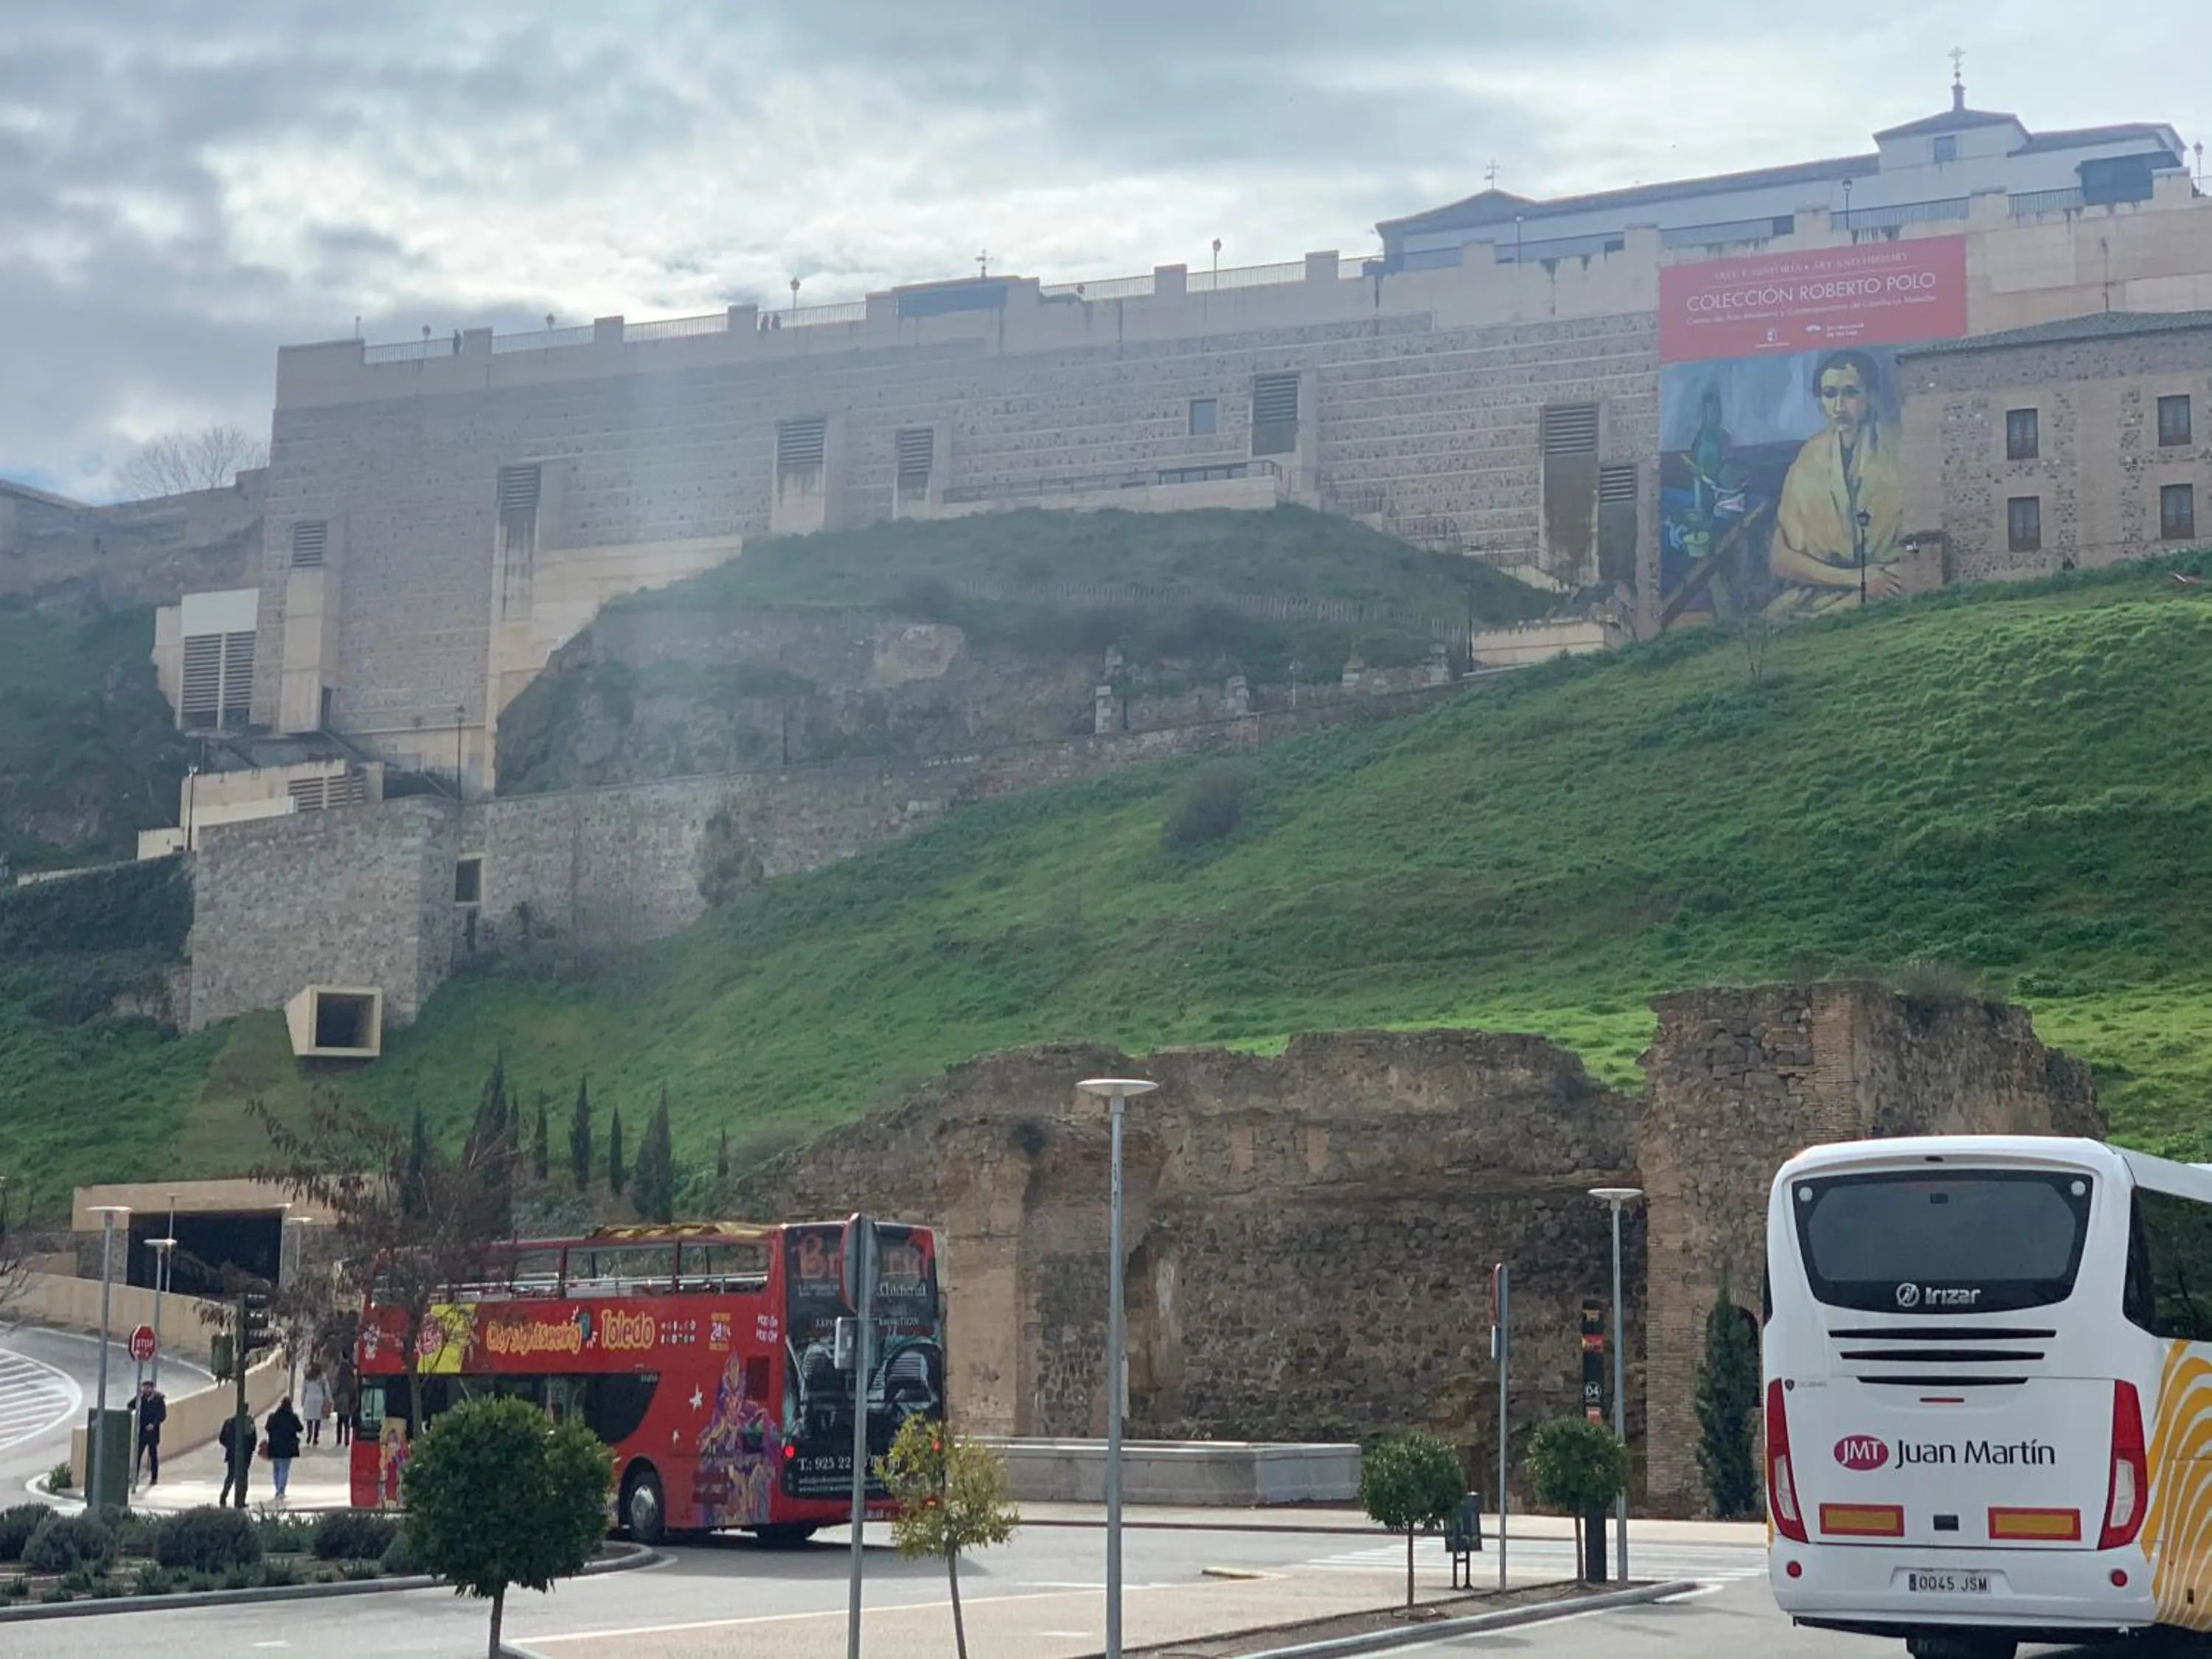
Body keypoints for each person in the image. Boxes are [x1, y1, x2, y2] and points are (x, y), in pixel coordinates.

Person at [1766, 349, 1906, 616]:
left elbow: (1919, 544)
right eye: (1830, 394)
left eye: (1851, 393)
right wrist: (1855, 579)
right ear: (1821, 402)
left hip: (1890, 585)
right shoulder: (1808, 459)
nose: (1839, 406)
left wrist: (1888, 573)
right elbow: (1780, 560)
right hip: (1822, 590)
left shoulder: (1900, 449)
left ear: (1871, 397)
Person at [263, 1395, 305, 1505]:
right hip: (287, 1447)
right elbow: (300, 1428)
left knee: (276, 1469)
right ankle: (281, 1490)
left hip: (274, 1446)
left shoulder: (273, 1416)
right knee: (284, 1469)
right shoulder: (292, 1417)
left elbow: (267, 1428)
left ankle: (278, 1489)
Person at [131, 1379, 167, 1486]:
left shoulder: (159, 1400)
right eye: (144, 1387)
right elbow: (130, 1405)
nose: (145, 1389)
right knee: (137, 1454)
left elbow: (162, 1415)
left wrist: (154, 1424)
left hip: (153, 1432)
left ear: (152, 1388)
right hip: (142, 1431)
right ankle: (134, 1477)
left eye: (147, 1387)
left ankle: (154, 1477)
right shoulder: (141, 1398)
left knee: (153, 1455)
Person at [218, 1409, 257, 1507]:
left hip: (232, 1454)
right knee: (243, 1478)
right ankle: (241, 1500)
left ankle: (223, 1497)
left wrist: (230, 1446)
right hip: (244, 1455)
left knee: (231, 1477)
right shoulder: (248, 1422)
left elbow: (222, 1439)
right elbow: (253, 1439)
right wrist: (249, 1450)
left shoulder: (229, 1422)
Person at [302, 1366, 330, 1448]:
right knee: (318, 1420)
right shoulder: (322, 1378)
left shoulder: (307, 1378)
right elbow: (327, 1390)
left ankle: (309, 1435)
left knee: (309, 1420)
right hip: (319, 1399)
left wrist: (303, 1400)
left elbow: (304, 1390)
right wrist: (329, 1400)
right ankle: (315, 1437)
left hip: (309, 1398)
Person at [333, 1363, 357, 1448]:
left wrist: (334, 1395)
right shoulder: (352, 1377)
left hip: (340, 1400)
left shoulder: (339, 1376)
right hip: (348, 1401)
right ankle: (347, 1441)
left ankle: (339, 1440)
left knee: (339, 1421)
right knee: (347, 1422)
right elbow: (354, 1389)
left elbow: (336, 1387)